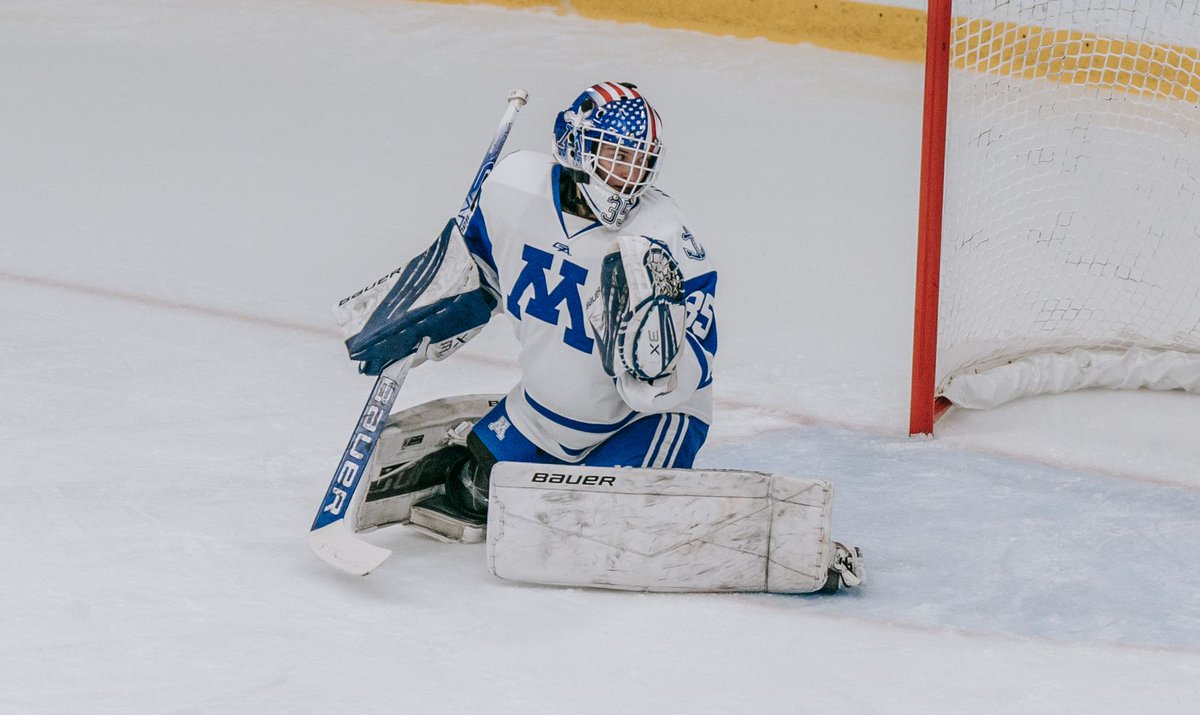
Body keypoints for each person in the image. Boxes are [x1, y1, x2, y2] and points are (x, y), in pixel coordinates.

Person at [339, 81, 718, 531]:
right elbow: (479, 269)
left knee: (595, 524)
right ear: (576, 146)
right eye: (618, 156)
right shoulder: (513, 190)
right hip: (541, 414)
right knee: (471, 488)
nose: (630, 175)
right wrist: (426, 310)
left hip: (642, 420)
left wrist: (657, 366)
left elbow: (701, 352)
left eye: (641, 162)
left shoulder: (665, 233)